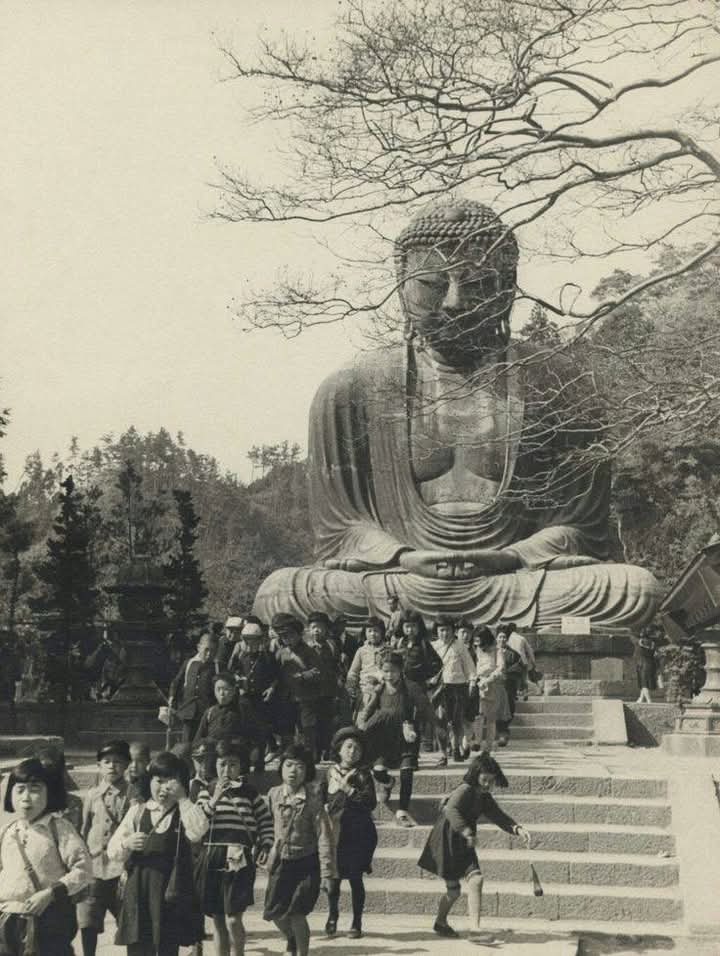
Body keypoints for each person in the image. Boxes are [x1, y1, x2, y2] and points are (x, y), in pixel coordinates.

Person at [253, 200, 660, 630]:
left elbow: (579, 529)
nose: (453, 302)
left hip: (514, 577)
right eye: (431, 284)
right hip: (400, 578)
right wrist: (405, 557)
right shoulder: (352, 388)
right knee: (283, 592)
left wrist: (510, 555)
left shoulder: (562, 386)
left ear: (507, 287)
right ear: (401, 283)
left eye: (477, 284)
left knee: (634, 589)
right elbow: (341, 531)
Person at [418, 752, 531, 939]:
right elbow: (452, 810)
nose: (487, 785)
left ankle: (474, 928)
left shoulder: (484, 797)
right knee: (453, 891)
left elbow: (498, 815)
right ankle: (440, 922)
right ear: (476, 775)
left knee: (476, 880)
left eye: (491, 781)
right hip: (447, 840)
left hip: (465, 841)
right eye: (484, 780)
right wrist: (466, 832)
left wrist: (517, 829)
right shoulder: (465, 789)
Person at [108, 750, 209, 956]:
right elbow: (112, 851)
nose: (163, 788)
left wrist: (182, 799)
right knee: (137, 948)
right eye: (158, 780)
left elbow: (198, 831)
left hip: (170, 893)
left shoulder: (185, 811)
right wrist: (127, 843)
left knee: (167, 948)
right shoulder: (138, 811)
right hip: (139, 892)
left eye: (170, 782)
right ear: (149, 780)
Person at [0, 757, 92, 956]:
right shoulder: (6, 832)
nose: (26, 797)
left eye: (35, 789)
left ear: (49, 793)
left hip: (48, 921)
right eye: (20, 789)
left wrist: (50, 893)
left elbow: (83, 869)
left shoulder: (59, 829)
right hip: (9, 920)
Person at [196, 739, 274, 956]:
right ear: (215, 766)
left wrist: (265, 845)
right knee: (218, 918)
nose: (227, 770)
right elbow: (199, 822)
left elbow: (266, 822)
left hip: (239, 856)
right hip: (212, 855)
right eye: (222, 764)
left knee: (233, 917)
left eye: (232, 764)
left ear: (241, 767)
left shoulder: (250, 793)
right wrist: (215, 798)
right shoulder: (206, 791)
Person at [263, 744, 336, 956]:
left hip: (307, 863)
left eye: (300, 767)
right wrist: (266, 848)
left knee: (297, 913)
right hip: (281, 862)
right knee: (274, 913)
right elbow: (265, 825)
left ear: (307, 772)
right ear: (281, 769)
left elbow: (324, 835)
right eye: (289, 765)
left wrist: (327, 872)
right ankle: (291, 939)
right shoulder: (273, 794)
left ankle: (302, 952)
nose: (294, 771)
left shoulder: (313, 799)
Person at [358, 650, 435, 828]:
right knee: (377, 770)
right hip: (383, 737)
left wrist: (434, 725)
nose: (389, 675)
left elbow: (426, 707)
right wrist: (362, 724)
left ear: (400, 670)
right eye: (385, 671)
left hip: (406, 735)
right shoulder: (380, 689)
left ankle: (402, 811)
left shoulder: (411, 687)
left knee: (406, 772)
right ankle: (387, 782)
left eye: (393, 671)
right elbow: (368, 710)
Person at [78, 740, 133, 956]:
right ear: (99, 765)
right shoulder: (92, 795)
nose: (112, 766)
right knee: (88, 919)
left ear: (127, 765)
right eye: (106, 762)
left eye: (118, 762)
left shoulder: (133, 793)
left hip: (122, 869)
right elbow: (84, 828)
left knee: (128, 920)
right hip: (95, 867)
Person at [322, 727, 377, 940]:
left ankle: (356, 921)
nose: (353, 751)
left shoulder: (363, 774)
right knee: (334, 878)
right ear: (339, 749)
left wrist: (349, 790)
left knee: (355, 877)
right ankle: (333, 914)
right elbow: (322, 796)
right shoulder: (330, 772)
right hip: (335, 831)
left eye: (357, 748)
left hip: (358, 833)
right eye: (349, 747)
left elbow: (370, 802)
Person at [230, 617, 280, 770]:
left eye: (253, 640)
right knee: (245, 734)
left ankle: (259, 766)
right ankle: (244, 766)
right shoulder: (241, 657)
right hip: (244, 700)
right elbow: (232, 672)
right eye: (247, 640)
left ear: (260, 640)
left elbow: (277, 676)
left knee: (260, 734)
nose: (250, 643)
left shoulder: (267, 657)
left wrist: (271, 688)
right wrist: (238, 680)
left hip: (261, 701)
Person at [272, 614, 323, 757]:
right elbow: (275, 673)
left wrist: (302, 676)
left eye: (291, 635)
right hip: (287, 696)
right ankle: (288, 755)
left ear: (299, 634)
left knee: (306, 728)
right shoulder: (281, 653)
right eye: (284, 636)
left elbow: (317, 672)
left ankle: (309, 756)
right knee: (287, 727)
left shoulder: (309, 651)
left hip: (306, 696)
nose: (288, 639)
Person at [429, 615, 475, 766]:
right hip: (439, 689)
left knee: (456, 721)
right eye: (441, 630)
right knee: (440, 720)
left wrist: (472, 682)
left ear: (453, 630)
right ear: (437, 631)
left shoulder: (460, 646)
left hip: (458, 687)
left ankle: (455, 748)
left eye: (448, 630)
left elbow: (469, 666)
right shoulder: (432, 647)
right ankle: (443, 753)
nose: (445, 633)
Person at [193, 672, 264, 760]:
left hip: (236, 758)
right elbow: (197, 740)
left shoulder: (242, 709)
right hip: (213, 758)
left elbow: (257, 735)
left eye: (225, 689)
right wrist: (203, 745)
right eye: (218, 689)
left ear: (233, 690)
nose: (221, 693)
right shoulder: (210, 712)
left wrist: (254, 750)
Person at [169, 633, 220, 742]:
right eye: (206, 650)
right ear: (198, 647)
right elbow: (177, 682)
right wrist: (172, 698)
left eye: (213, 651)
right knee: (186, 744)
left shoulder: (217, 667)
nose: (209, 654)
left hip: (207, 713)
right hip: (189, 712)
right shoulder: (189, 663)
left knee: (204, 745)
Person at [306, 612, 342, 760]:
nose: (317, 631)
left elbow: (336, 667)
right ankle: (312, 752)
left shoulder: (331, 646)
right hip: (310, 691)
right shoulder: (306, 647)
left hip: (327, 690)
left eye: (320, 627)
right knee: (311, 723)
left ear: (326, 629)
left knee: (326, 721)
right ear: (308, 629)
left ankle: (326, 750)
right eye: (314, 627)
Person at [466, 627, 508, 753]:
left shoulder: (497, 650)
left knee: (490, 718)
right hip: (477, 685)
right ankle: (478, 741)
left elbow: (500, 668)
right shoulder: (475, 649)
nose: (476, 643)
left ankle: (489, 745)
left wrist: (489, 679)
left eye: (478, 640)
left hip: (492, 685)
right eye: (475, 641)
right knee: (478, 716)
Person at [345, 618, 387, 711]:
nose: (372, 634)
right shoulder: (361, 651)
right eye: (369, 631)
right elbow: (353, 672)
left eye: (376, 631)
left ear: (382, 632)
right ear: (365, 633)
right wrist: (351, 687)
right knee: (363, 719)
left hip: (384, 691)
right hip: (365, 690)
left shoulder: (388, 650)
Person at [495, 628, 524, 738]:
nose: (502, 639)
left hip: (508, 684)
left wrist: (507, 672)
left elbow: (518, 668)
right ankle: (498, 729)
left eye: (504, 637)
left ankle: (504, 729)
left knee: (509, 706)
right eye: (500, 637)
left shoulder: (513, 654)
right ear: (496, 638)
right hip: (495, 684)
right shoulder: (491, 652)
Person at [189, 739, 216, 803]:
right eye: (199, 759)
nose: (204, 763)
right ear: (193, 759)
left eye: (209, 758)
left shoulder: (221, 784)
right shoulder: (188, 785)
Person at [635, 632, 658, 703]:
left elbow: (639, 645)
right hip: (650, 666)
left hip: (643, 666)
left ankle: (649, 700)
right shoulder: (652, 648)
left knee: (644, 684)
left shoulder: (640, 648)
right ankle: (641, 698)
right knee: (645, 684)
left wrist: (640, 643)